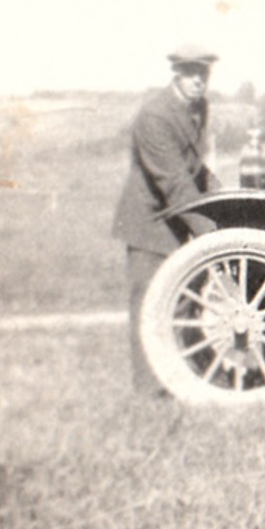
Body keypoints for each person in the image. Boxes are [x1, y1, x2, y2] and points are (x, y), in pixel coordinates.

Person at [112, 44, 220, 395]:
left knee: (187, 300)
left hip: (178, 217)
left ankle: (193, 378)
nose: (197, 81)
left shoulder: (197, 107)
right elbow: (174, 184)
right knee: (149, 305)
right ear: (176, 74)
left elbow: (195, 170)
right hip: (150, 223)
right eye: (190, 73)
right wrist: (214, 236)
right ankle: (148, 393)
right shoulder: (155, 117)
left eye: (202, 74)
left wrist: (229, 204)